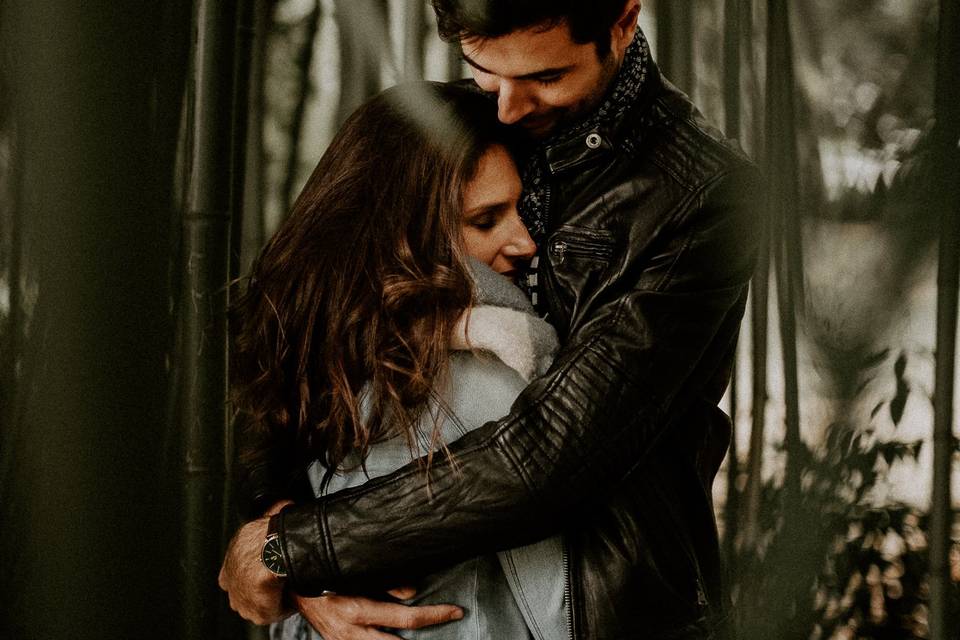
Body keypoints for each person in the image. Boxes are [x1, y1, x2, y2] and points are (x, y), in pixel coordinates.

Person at [220, 0, 761, 638]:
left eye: (546, 78)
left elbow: (556, 448)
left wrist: (301, 547)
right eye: (481, 69)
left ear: (621, 20)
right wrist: (297, 550)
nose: (508, 107)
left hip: (598, 607)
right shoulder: (443, 127)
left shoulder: (701, 195)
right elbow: (299, 328)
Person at [226, 82, 575, 639]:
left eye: (522, 209)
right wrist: (293, 559)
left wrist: (294, 559)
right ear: (402, 235)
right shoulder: (441, 384)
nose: (526, 241)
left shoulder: (358, 361)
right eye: (485, 221)